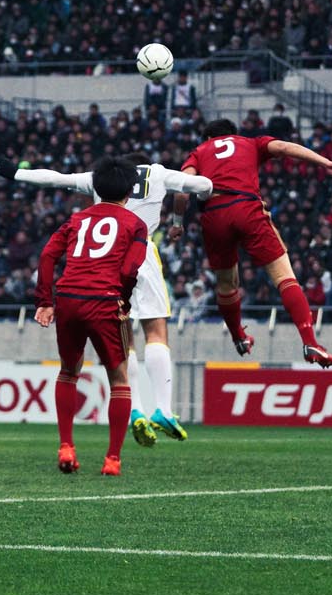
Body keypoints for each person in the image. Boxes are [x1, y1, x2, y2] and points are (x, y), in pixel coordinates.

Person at [14, 151, 214, 446]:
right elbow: (203, 185)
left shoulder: (98, 179)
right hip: (141, 251)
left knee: (124, 338)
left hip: (104, 263)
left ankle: (135, 408)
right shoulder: (157, 173)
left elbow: (55, 178)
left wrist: (14, 172)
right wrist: (195, 207)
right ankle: (163, 409)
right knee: (156, 332)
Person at [181, 119, 332, 367]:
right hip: (246, 206)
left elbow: (183, 188)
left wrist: (176, 222)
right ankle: (310, 341)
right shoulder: (250, 142)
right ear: (233, 134)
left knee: (226, 284)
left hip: (214, 214)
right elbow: (284, 147)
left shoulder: (200, 151)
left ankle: (238, 337)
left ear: (208, 138)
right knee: (284, 277)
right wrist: (325, 162)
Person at [34, 157, 148, 477]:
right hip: (105, 300)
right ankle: (112, 459)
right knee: (119, 379)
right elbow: (130, 268)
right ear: (130, 191)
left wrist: (44, 301)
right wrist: (123, 298)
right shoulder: (136, 224)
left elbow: (47, 255)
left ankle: (66, 447)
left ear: (96, 187)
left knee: (68, 372)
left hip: (69, 298)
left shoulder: (76, 219)